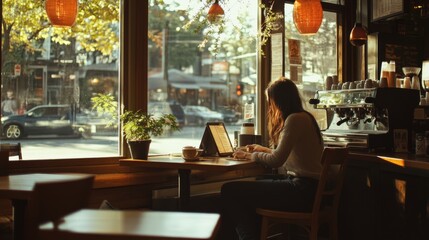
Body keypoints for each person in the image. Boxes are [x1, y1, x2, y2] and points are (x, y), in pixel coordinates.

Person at [219, 77, 324, 240]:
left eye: (270, 100)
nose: (270, 105)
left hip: (302, 192)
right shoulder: (305, 117)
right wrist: (263, 149)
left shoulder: (294, 119)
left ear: (279, 100)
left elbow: (276, 161)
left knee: (229, 190)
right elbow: (288, 155)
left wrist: (248, 155)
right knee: (256, 183)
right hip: (311, 190)